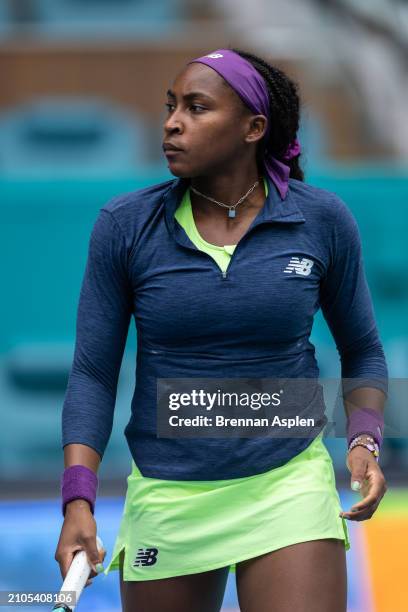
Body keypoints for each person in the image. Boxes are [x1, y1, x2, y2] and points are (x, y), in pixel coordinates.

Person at [55, 47, 388, 612]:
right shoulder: (125, 225)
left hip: (287, 482)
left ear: (253, 128)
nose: (172, 123)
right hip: (169, 494)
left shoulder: (322, 219)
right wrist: (77, 501)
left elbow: (363, 350)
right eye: (170, 106)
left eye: (196, 107)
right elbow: (92, 372)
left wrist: (363, 440)